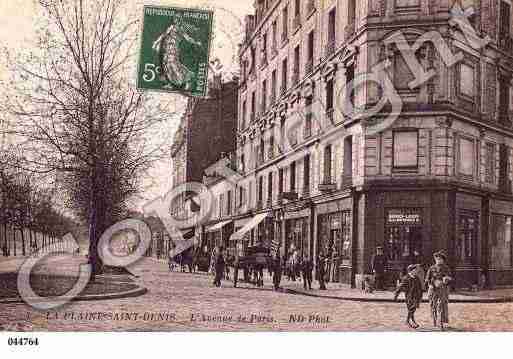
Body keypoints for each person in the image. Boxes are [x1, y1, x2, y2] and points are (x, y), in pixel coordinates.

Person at [425, 250, 452, 330]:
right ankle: (434, 319)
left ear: (443, 260)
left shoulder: (446, 268)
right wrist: (430, 284)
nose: (438, 260)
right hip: (433, 289)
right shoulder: (431, 268)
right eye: (436, 259)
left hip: (442, 289)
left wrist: (446, 279)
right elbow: (427, 279)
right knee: (433, 304)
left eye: (440, 259)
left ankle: (441, 322)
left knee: (442, 305)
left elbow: (450, 278)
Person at [394, 264, 423, 329]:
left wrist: (421, 295)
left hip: (416, 296)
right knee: (411, 308)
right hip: (409, 296)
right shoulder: (406, 278)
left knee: (413, 309)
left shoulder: (416, 278)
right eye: (415, 270)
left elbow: (420, 287)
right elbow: (400, 287)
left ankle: (412, 321)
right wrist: (396, 295)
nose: (416, 271)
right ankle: (407, 321)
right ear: (411, 271)